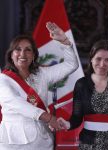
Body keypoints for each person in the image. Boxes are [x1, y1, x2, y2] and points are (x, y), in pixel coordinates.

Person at [0, 21, 78, 150]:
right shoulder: (3, 79)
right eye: (18, 49)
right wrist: (48, 117)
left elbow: (71, 65)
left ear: (34, 55)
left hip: (43, 141)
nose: (22, 54)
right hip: (13, 142)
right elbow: (15, 102)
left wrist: (64, 41)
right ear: (11, 54)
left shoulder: (42, 74)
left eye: (28, 50)